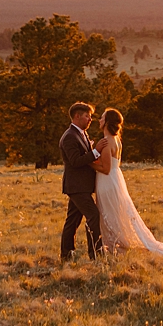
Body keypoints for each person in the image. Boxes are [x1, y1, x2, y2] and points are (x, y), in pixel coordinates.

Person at [94, 107, 163, 258]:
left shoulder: (106, 142)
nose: (99, 120)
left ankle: (115, 246)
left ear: (107, 122)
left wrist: (88, 162)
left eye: (102, 117)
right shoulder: (117, 140)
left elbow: (105, 169)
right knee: (117, 213)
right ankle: (116, 245)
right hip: (116, 179)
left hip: (107, 181)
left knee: (109, 214)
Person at [59, 102, 106, 261]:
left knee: (73, 220)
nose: (90, 119)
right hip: (76, 186)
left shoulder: (82, 134)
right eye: (87, 116)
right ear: (77, 116)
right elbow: (75, 161)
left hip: (81, 186)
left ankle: (66, 254)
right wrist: (96, 151)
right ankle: (96, 253)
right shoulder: (69, 136)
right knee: (93, 215)